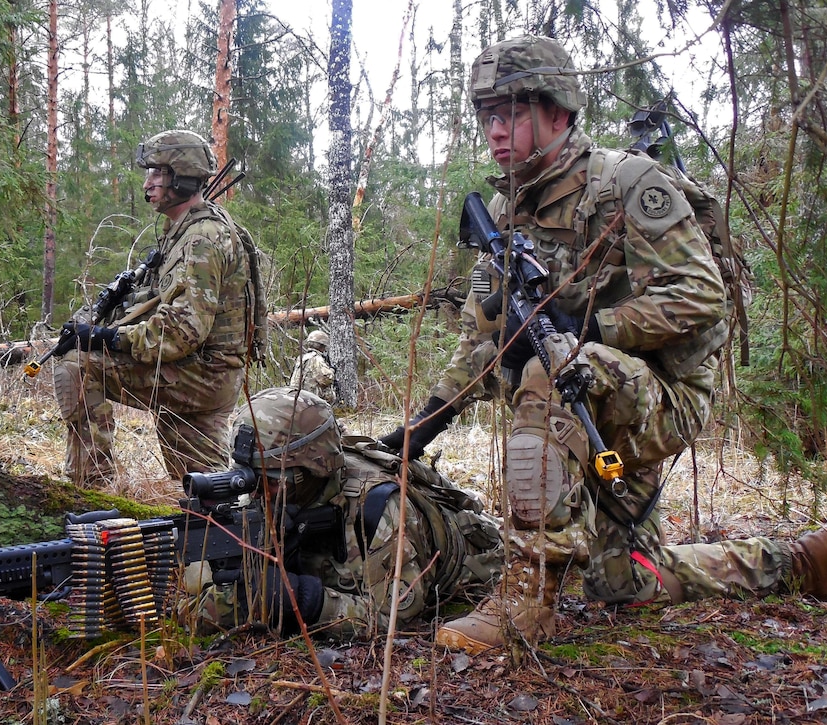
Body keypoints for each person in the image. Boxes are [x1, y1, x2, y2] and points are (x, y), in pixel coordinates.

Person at [378, 35, 827, 654]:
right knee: (619, 581)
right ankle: (804, 561)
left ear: (560, 114)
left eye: (512, 113)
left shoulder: (628, 185)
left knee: (553, 363)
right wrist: (426, 423)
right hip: (590, 406)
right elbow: (478, 338)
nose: (495, 130)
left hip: (659, 398)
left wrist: (592, 330)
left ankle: (526, 599)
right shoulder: (501, 211)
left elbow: (702, 295)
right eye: (488, 115)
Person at [186, 387, 503, 638]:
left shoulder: (380, 506)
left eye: (270, 480)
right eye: (248, 476)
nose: (256, 493)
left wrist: (304, 599)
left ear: (314, 467)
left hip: (479, 559)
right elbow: (199, 605)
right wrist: (233, 591)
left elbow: (395, 618)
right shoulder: (262, 495)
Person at [52, 129, 260, 483]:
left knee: (77, 366)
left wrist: (106, 338)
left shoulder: (200, 240)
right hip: (210, 373)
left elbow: (182, 330)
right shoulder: (188, 229)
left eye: (157, 173)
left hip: (201, 374)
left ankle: (90, 490)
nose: (147, 183)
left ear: (182, 177)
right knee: (204, 494)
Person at [288, 329, 337, 404]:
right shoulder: (316, 359)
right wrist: (332, 371)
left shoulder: (302, 358)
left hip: (299, 398)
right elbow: (326, 380)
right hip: (312, 401)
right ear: (321, 346)